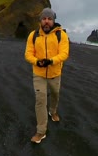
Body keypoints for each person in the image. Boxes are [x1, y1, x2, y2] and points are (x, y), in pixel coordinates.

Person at [25, 7, 70, 144]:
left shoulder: (61, 35)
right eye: (44, 18)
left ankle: (53, 111)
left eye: (49, 19)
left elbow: (64, 53)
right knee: (40, 100)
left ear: (53, 20)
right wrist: (37, 62)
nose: (46, 21)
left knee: (55, 94)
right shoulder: (33, 35)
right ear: (40, 20)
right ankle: (41, 132)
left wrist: (51, 61)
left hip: (55, 73)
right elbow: (28, 54)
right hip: (38, 74)